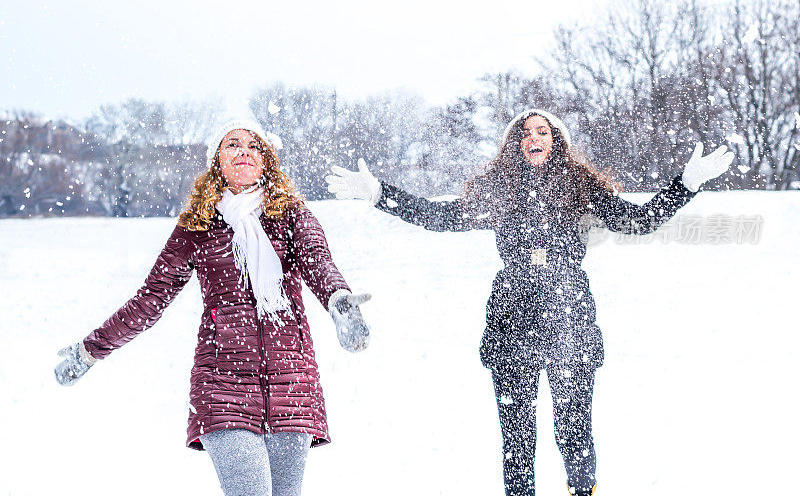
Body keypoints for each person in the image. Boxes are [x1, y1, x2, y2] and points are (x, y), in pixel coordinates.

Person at [326, 109, 734, 496]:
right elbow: (439, 216)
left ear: (556, 141)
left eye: (542, 131)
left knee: (574, 431)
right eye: (524, 133)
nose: (532, 138)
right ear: (513, 145)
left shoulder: (580, 188)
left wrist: (688, 183)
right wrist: (380, 194)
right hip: (512, 321)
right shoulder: (500, 191)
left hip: (568, 316)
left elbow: (639, 221)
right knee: (517, 439)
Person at [55, 115, 372, 496]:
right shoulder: (198, 226)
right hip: (222, 385)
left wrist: (339, 301)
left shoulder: (291, 215)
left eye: (255, 146)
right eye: (233, 144)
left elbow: (318, 261)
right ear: (217, 160)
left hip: (293, 384)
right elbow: (151, 298)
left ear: (266, 159)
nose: (245, 151)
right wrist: (91, 350)